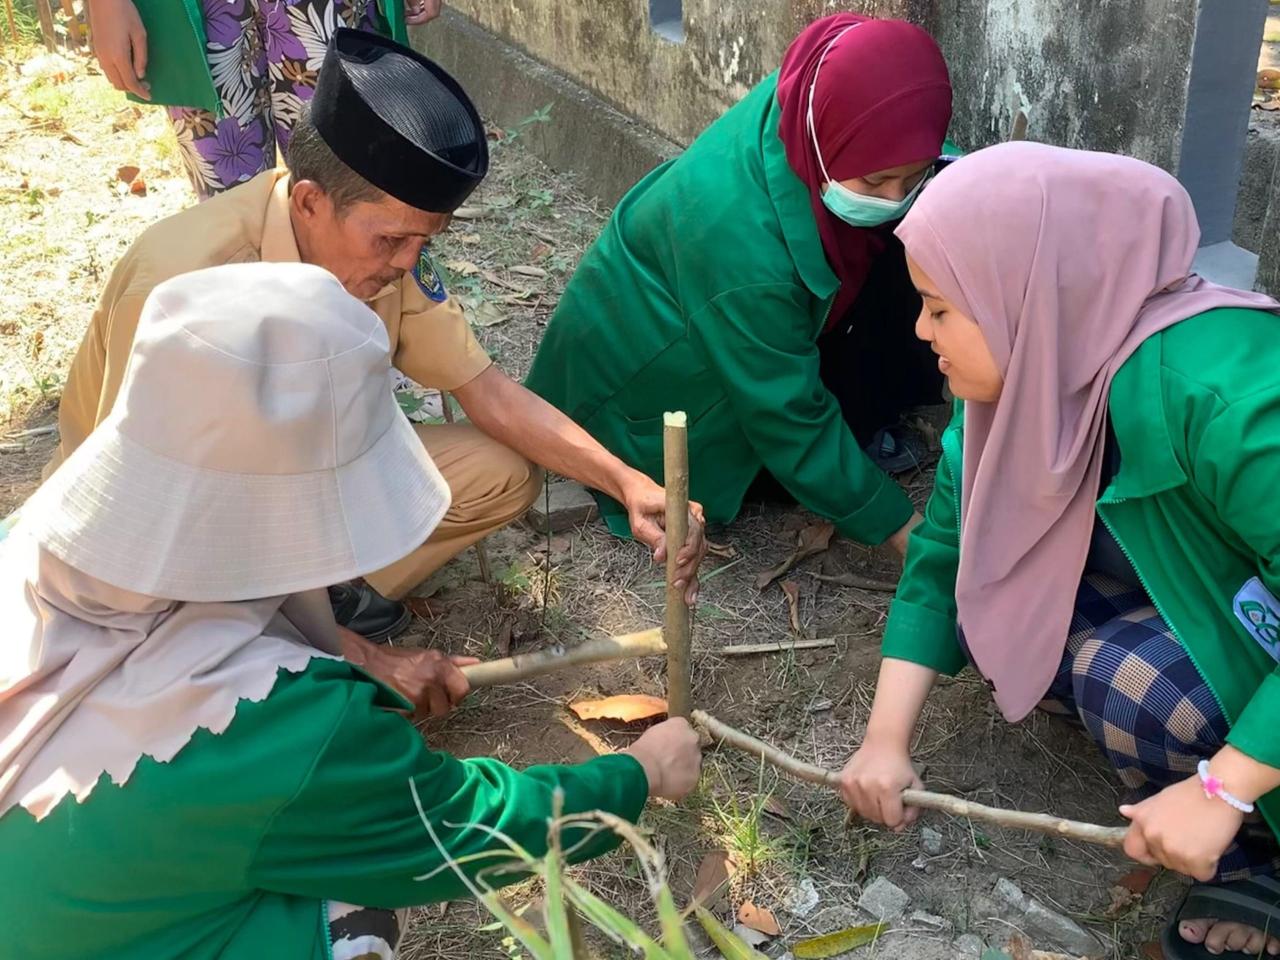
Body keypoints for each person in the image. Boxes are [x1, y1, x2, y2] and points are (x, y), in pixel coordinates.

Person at [0, 262, 703, 960]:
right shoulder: (283, 720)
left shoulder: (28, 547)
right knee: (351, 909)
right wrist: (638, 775)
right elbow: (457, 825)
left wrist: (366, 667)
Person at [49, 30, 705, 642]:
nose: (405, 263)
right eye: (392, 240)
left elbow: (490, 396)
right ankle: (266, 628)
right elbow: (138, 511)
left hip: (294, 486)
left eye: (425, 241)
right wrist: (362, 655)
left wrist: (625, 482)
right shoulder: (179, 281)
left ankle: (304, 606)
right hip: (163, 525)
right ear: (309, 202)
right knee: (197, 637)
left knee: (500, 472)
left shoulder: (391, 254)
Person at [838, 142, 1280, 958]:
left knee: (1128, 679)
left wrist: (1226, 787)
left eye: (940, 308)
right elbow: (944, 558)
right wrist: (884, 742)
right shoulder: (1024, 382)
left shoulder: (1219, 388)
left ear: (1030, 299)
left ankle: (1257, 852)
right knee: (993, 590)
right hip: (1217, 611)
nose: (919, 329)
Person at [525, 13, 955, 557]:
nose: (892, 197)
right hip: (634, 405)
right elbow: (787, 416)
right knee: (807, 437)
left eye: (911, 176)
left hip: (713, 321)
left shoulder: (817, 84)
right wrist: (904, 533)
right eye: (873, 181)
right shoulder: (742, 251)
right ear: (823, 139)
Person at [86, 0, 444, 199]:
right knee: (229, 207)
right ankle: (249, 326)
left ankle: (352, 326)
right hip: (205, 13)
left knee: (351, 183)